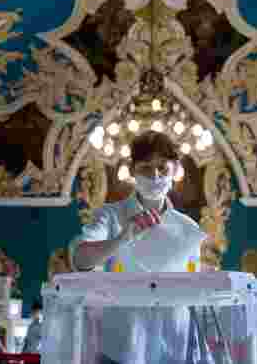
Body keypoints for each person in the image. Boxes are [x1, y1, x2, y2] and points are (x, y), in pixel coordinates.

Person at [69, 130, 207, 364]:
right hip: (122, 345)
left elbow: (192, 286)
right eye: (145, 168)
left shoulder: (189, 228)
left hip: (174, 345)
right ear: (132, 171)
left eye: (163, 167)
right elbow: (80, 259)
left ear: (175, 169)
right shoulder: (111, 216)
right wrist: (122, 238)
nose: (155, 175)